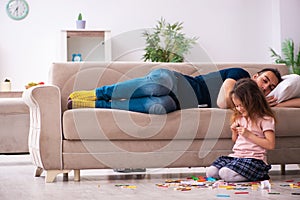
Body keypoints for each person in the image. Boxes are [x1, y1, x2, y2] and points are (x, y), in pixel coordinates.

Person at [67, 67, 282, 114]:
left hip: (178, 103)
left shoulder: (253, 100)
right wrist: (246, 102)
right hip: (175, 82)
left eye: (270, 87)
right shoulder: (241, 74)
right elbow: (222, 101)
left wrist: (272, 100)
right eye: (264, 80)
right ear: (255, 76)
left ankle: (97, 104)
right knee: (156, 85)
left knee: (159, 107)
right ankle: (98, 92)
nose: (265, 87)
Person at [206, 78, 276, 182]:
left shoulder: (265, 119)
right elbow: (236, 141)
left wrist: (249, 135)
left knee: (224, 173)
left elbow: (271, 144)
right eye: (236, 106)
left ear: (253, 100)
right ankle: (234, 175)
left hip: (254, 160)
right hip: (237, 157)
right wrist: (234, 131)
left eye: (241, 105)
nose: (239, 109)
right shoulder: (240, 117)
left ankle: (260, 175)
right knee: (211, 172)